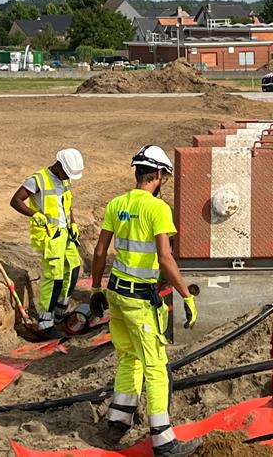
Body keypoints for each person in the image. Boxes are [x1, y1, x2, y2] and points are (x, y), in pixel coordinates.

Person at [89, 145, 201, 456]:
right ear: (161, 176)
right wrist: (186, 294)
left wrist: (95, 289)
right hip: (139, 299)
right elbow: (165, 258)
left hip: (116, 294)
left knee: (128, 357)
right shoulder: (157, 209)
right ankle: (164, 441)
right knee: (156, 366)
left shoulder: (117, 203)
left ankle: (117, 423)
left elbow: (100, 252)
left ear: (138, 172)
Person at [10, 148, 84, 337]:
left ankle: (60, 312)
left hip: (66, 233)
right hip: (51, 236)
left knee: (74, 270)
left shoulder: (65, 179)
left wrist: (73, 224)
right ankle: (45, 323)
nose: (68, 177)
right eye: (67, 172)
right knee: (55, 279)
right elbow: (15, 201)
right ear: (58, 165)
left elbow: (67, 205)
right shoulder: (38, 179)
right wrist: (35, 214)